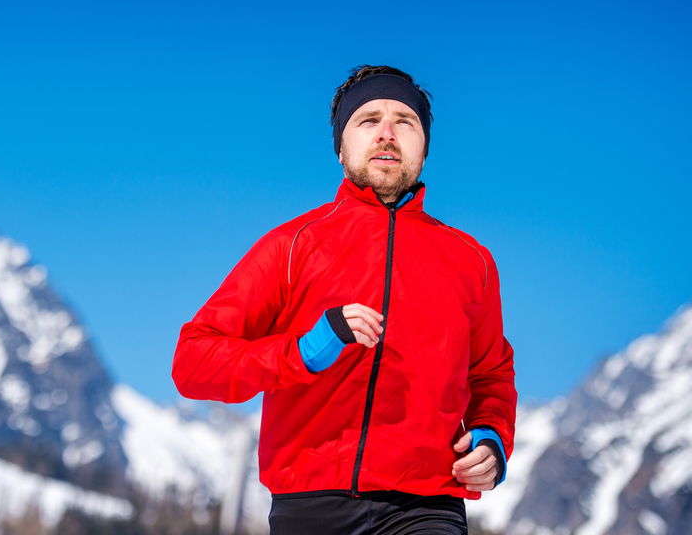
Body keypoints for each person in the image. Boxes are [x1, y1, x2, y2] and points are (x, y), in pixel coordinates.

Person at [171, 65, 517, 534]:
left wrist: (492, 439)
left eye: (405, 122)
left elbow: (490, 374)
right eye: (368, 119)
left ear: (424, 148)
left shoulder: (471, 261)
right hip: (312, 505)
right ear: (341, 147)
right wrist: (302, 353)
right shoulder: (291, 246)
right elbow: (193, 363)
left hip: (427, 505)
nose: (387, 134)